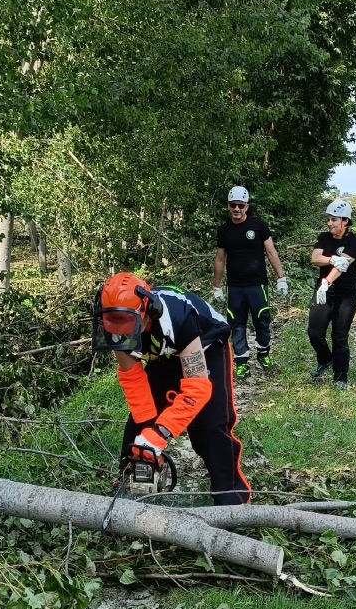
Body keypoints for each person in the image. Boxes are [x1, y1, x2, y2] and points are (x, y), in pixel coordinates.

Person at [92, 272, 251, 505]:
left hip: (205, 347)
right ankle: (131, 492)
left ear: (148, 310)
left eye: (128, 323)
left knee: (210, 426)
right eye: (115, 322)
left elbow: (198, 387)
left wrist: (162, 432)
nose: (122, 331)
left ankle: (231, 499)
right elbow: (132, 377)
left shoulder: (179, 318)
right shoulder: (113, 323)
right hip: (163, 355)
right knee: (138, 429)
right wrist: (148, 432)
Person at [212, 185, 288, 380]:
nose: (236, 209)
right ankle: (241, 362)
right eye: (233, 205)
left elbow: (271, 252)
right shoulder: (224, 230)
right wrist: (217, 286)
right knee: (236, 324)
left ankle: (264, 355)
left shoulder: (258, 225)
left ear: (247, 206)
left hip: (257, 285)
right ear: (228, 206)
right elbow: (220, 259)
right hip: (235, 287)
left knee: (262, 320)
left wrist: (281, 278)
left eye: (240, 205)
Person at [307, 198, 356, 390]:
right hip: (324, 294)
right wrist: (332, 259)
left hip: (345, 295)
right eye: (328, 219)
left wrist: (326, 282)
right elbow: (315, 258)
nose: (329, 223)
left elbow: (343, 266)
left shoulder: (354, 241)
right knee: (314, 333)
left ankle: (341, 376)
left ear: (345, 221)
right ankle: (325, 359)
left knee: (339, 335)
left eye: (334, 220)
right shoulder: (324, 237)